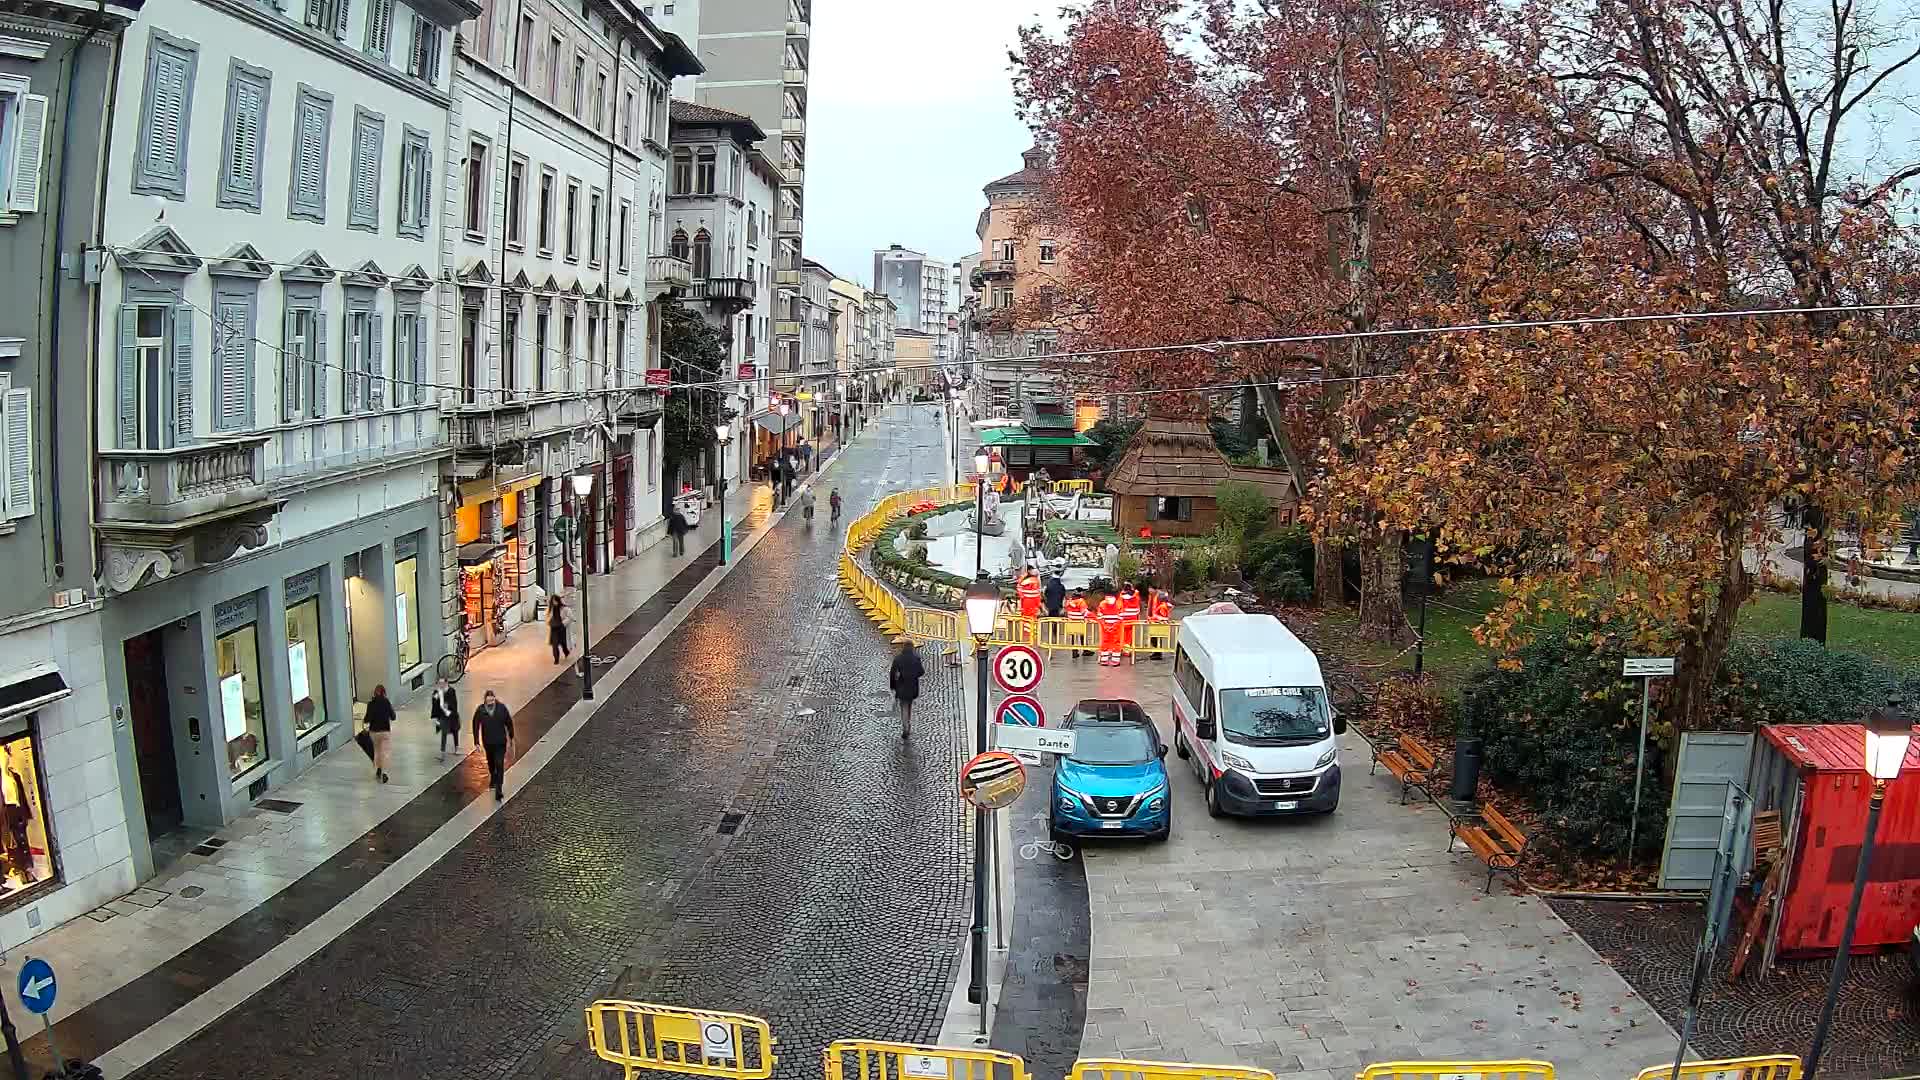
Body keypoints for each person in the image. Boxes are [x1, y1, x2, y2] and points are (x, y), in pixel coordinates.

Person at [472, 690, 515, 801]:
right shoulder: (481, 710)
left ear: (495, 698)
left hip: (500, 743)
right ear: (485, 700)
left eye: (492, 699)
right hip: (488, 743)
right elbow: (475, 725)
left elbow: (509, 722)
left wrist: (511, 737)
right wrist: (476, 741)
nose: (490, 702)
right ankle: (493, 777)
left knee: (499, 764)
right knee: (491, 763)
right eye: (488, 700)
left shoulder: (501, 709)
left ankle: (499, 789)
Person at [888, 638, 925, 739]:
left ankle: (905, 727)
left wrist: (893, 686)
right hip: (913, 686)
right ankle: (908, 724)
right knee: (909, 705)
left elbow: (892, 673)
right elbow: (921, 672)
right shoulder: (916, 658)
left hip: (901, 686)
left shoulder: (898, 659)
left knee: (904, 706)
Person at [364, 684, 396, 783]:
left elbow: (367, 719)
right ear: (384, 693)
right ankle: (384, 772)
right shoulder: (386, 702)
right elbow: (393, 716)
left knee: (377, 751)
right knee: (385, 752)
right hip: (385, 731)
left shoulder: (371, 704)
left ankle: (378, 769)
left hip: (374, 732)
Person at [430, 677, 460, 760]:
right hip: (443, 716)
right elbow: (434, 702)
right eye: (440, 683)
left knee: (455, 731)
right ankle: (442, 752)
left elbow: (454, 702)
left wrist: (448, 705)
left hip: (451, 714)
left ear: (446, 683)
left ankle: (456, 747)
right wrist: (436, 697)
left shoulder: (451, 691)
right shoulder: (437, 692)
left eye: (442, 683)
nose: (441, 685)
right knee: (444, 732)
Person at [1096, 590, 1125, 667]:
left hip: (1108, 628)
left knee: (1107, 642)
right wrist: (1113, 627)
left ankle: (1106, 660)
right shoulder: (1118, 604)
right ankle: (1112, 660)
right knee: (1114, 643)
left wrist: (1106, 626)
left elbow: (1099, 616)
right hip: (1114, 628)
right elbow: (1120, 617)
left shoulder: (1102, 603)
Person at [1063, 589, 1091, 658]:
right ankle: (1085, 650)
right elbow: (1084, 612)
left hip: (1071, 622)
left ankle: (1074, 651)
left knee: (1073, 637)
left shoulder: (1068, 602)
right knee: (1082, 635)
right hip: (1080, 622)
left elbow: (1065, 610)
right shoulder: (1081, 602)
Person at [1119, 582, 1143, 659]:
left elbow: (1118, 607)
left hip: (1123, 619)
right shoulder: (1136, 596)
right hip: (1133, 619)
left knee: (1122, 635)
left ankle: (1123, 649)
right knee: (1129, 636)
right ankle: (1128, 651)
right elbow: (1139, 607)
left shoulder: (1121, 597)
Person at [549, 594, 570, 665]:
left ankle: (566, 651)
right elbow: (548, 616)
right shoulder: (551, 608)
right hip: (554, 628)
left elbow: (570, 617)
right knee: (555, 645)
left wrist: (563, 624)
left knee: (563, 643)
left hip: (561, 628)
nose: (554, 603)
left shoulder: (564, 608)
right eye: (553, 601)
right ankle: (556, 659)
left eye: (555, 601)